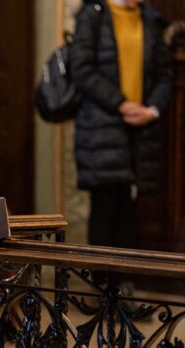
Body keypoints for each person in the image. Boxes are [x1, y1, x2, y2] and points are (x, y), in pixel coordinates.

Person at [70, 0, 171, 251]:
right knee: (105, 207)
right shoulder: (93, 13)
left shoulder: (149, 18)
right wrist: (121, 103)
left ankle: (123, 284)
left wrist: (152, 110)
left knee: (129, 208)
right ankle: (100, 285)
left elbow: (164, 74)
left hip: (141, 128)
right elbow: (81, 69)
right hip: (101, 125)